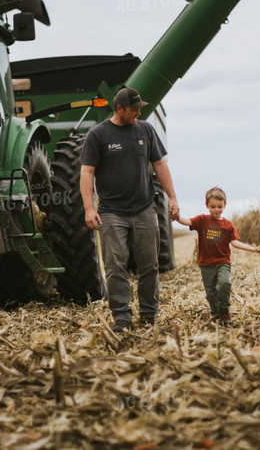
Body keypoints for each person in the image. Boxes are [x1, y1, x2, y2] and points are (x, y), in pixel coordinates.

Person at [80, 87, 179, 334]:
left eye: (139, 108)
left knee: (149, 265)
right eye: (134, 108)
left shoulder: (145, 129)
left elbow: (159, 164)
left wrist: (173, 197)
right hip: (112, 212)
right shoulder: (98, 134)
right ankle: (122, 317)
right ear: (119, 109)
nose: (138, 112)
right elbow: (87, 172)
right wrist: (89, 207)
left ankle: (148, 313)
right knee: (115, 266)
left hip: (145, 208)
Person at [176, 187, 260, 326]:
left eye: (219, 206)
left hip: (222, 262)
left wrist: (253, 249)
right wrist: (176, 217)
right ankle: (215, 313)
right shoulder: (202, 220)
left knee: (224, 284)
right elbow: (187, 221)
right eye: (212, 206)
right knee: (211, 293)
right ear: (207, 206)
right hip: (206, 264)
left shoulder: (228, 225)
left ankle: (224, 311)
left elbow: (235, 243)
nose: (216, 209)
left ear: (225, 205)